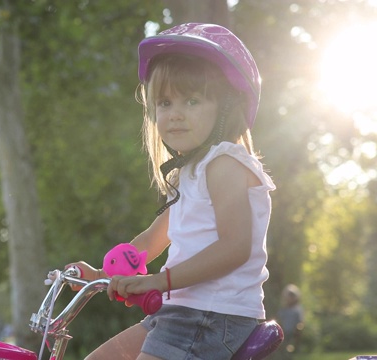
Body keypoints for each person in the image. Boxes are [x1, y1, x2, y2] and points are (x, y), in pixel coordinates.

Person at [67, 22, 276, 359]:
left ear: (226, 107)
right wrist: (100, 277)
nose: (175, 115)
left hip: (213, 315)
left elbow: (235, 248)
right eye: (164, 103)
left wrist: (158, 281)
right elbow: (153, 240)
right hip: (180, 311)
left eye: (191, 101)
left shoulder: (226, 163)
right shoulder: (188, 173)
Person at [274, 284, 304, 359]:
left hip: (292, 334)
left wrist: (297, 332)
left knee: (289, 351)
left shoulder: (297, 309)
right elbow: (278, 319)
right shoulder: (284, 309)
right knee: (282, 351)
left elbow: (300, 322)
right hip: (283, 333)